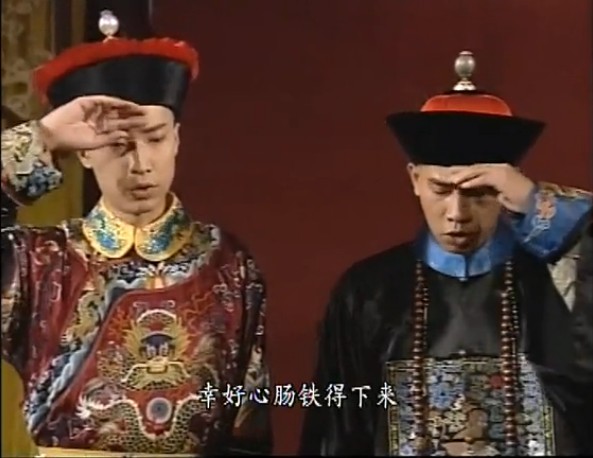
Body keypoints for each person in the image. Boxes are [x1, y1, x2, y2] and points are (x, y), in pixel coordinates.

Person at [1, 10, 272, 457]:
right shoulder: (40, 261)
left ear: (177, 139)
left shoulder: (227, 263)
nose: (141, 164)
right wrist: (44, 138)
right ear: (85, 153)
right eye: (118, 145)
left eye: (155, 138)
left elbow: (250, 422)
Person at [299, 51, 593, 456]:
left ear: (507, 187)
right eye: (441, 189)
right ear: (414, 180)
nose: (457, 213)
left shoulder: (557, 286)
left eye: (478, 192)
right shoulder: (368, 293)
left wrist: (535, 201)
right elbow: (337, 433)